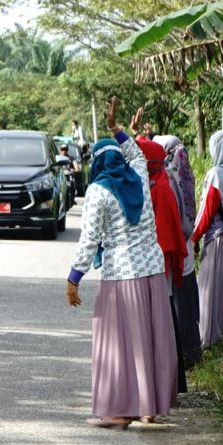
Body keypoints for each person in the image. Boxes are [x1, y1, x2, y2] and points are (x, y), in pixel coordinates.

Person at [67, 99, 177, 428]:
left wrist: (74, 277)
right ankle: (148, 408)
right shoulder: (140, 179)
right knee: (150, 338)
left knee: (118, 342)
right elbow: (138, 155)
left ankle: (119, 410)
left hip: (121, 274)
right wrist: (118, 129)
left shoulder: (98, 192)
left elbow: (88, 240)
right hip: (153, 271)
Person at [137, 137, 191, 392]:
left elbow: (167, 232)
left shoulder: (161, 187)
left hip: (162, 264)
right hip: (156, 263)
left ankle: (169, 383)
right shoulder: (156, 180)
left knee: (164, 321)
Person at [153, 134, 202, 367]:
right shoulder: (183, 173)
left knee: (178, 304)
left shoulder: (167, 180)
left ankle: (183, 355)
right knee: (188, 301)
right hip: (186, 244)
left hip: (174, 250)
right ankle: (192, 353)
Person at [192, 129, 223, 349]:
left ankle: (211, 339)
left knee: (211, 289)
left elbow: (207, 211)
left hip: (217, 239)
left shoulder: (216, 174)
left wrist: (194, 237)